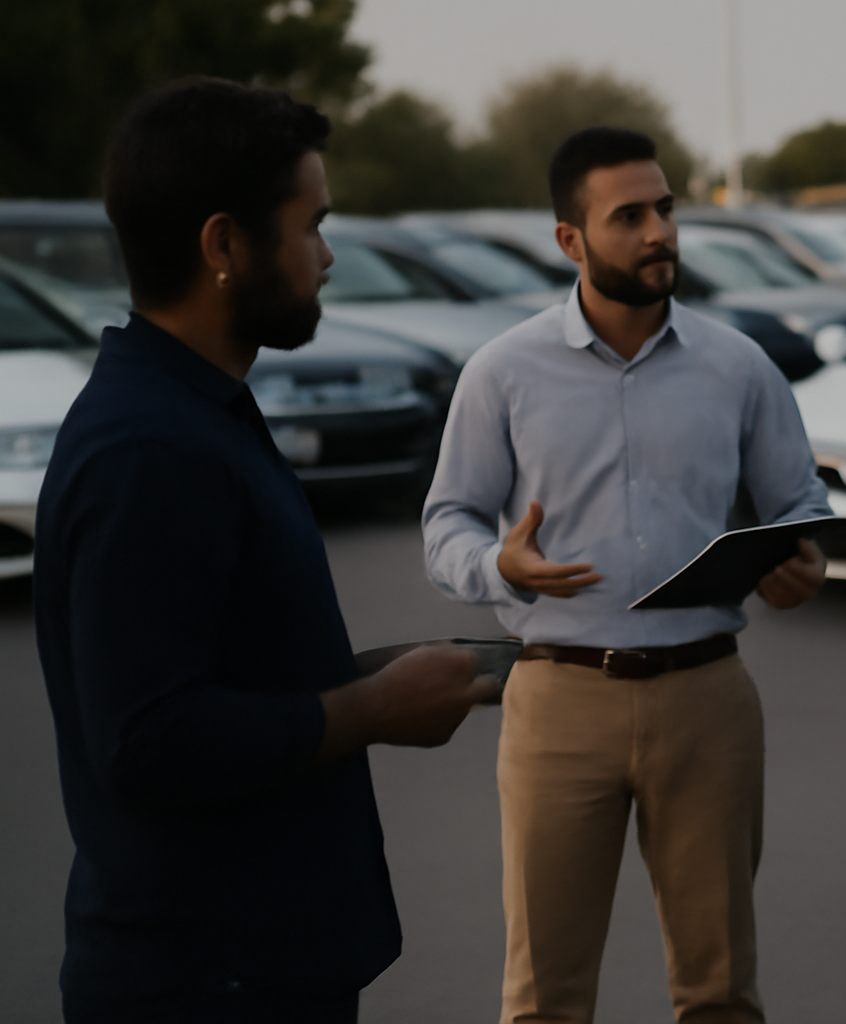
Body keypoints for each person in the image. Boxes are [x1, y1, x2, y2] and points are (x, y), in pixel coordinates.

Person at [33, 78, 499, 1024]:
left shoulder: (191, 410)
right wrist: (371, 708)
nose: (328, 256)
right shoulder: (149, 450)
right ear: (222, 244)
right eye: (312, 224)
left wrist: (374, 675)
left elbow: (222, 669)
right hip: (206, 982)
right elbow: (148, 740)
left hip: (251, 965)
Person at [422, 126, 831, 1024]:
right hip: (558, 699)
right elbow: (445, 522)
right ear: (570, 240)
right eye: (630, 216)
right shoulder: (502, 373)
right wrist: (501, 564)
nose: (660, 233)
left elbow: (799, 506)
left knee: (720, 991)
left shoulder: (739, 366)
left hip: (708, 699)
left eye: (666, 209)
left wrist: (801, 563)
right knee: (544, 999)